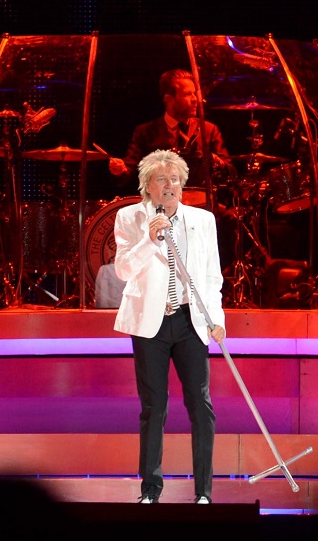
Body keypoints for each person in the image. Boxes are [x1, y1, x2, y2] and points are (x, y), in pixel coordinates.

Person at [112, 149, 226, 504]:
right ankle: (150, 490)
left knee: (201, 405)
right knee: (154, 406)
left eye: (175, 179)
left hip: (191, 320)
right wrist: (150, 238)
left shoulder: (202, 220)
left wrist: (217, 320)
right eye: (161, 179)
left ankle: (203, 492)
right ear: (147, 186)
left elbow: (211, 274)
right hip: (151, 324)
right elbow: (123, 270)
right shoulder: (130, 217)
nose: (170, 185)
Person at [108, 69, 234, 200]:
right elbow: (129, 173)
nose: (195, 99)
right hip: (160, 205)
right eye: (188, 94)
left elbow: (231, 171)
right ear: (169, 99)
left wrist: (214, 159)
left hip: (202, 206)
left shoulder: (208, 130)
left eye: (194, 94)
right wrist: (119, 170)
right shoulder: (145, 132)